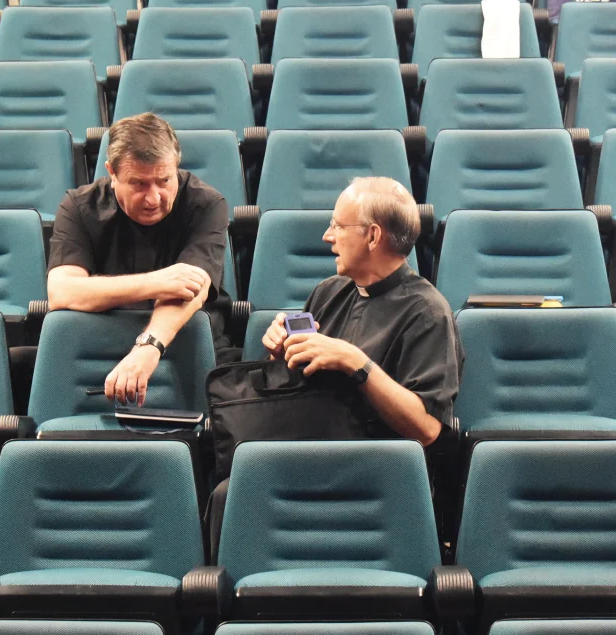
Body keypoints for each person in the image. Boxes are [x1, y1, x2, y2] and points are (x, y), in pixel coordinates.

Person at [262, 177, 464, 446]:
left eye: (337, 226)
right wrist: (280, 354)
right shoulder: (328, 291)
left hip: (378, 468)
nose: (327, 236)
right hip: (313, 448)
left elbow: (426, 429)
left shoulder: (428, 313)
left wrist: (355, 362)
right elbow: (293, 393)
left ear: (372, 236)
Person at [47, 113, 229, 406]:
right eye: (139, 184)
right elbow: (61, 291)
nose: (154, 198)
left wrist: (148, 346)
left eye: (164, 180)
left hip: (184, 345)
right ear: (111, 173)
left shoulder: (206, 204)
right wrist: (157, 283)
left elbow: (192, 289)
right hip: (98, 351)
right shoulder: (78, 207)